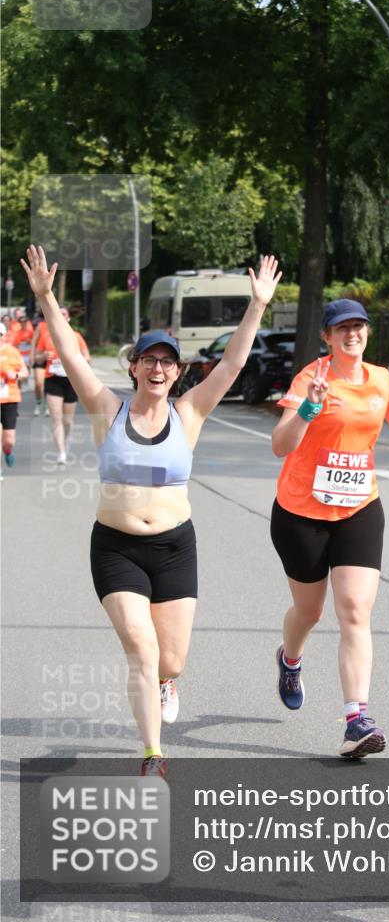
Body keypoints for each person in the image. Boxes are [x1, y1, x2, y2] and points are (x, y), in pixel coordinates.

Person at [22, 244, 281, 777]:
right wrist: (47, 299)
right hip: (115, 546)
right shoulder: (106, 409)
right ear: (134, 367)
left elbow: (232, 364)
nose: (158, 368)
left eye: (167, 361)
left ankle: (168, 682)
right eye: (149, 360)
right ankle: (153, 754)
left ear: (176, 370)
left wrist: (257, 304)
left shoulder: (190, 413)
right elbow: (70, 355)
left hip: (173, 547)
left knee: (171, 659)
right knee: (140, 646)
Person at [270, 298, 389, 757]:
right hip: (301, 513)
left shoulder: (381, 379)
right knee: (309, 613)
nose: (353, 333)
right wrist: (308, 410)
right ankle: (290, 660)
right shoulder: (312, 378)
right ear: (327, 337)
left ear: (368, 333)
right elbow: (279, 444)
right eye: (342, 327)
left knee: (354, 611)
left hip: (359, 508)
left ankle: (356, 719)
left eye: (359, 326)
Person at [34, 305, 90, 464]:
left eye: (64, 314)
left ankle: (65, 441)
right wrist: (43, 355)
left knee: (68, 421)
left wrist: (75, 360)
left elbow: (87, 357)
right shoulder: (46, 336)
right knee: (56, 417)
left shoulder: (76, 336)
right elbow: (37, 359)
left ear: (68, 318)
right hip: (53, 379)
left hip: (71, 380)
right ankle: (61, 452)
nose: (61, 316)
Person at [0, 322, 29, 473]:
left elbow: (25, 372)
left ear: (4, 336)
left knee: (9, 439)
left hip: (10, 399)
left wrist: (16, 375)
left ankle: (8, 451)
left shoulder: (12, 352)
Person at [30, 312, 47, 415]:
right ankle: (38, 402)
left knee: (50, 384)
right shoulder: (41, 325)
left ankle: (48, 405)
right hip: (40, 357)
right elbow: (33, 341)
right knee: (39, 383)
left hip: (53, 359)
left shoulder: (60, 325)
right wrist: (31, 357)